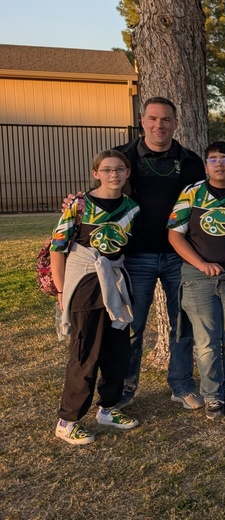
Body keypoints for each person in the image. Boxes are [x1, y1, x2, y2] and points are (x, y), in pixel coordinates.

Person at [114, 96, 205, 409]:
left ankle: (182, 385)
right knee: (131, 325)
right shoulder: (122, 157)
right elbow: (102, 195)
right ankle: (124, 389)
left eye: (166, 119)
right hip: (134, 257)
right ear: (143, 121)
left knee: (182, 324)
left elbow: (202, 206)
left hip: (179, 256)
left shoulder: (191, 161)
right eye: (153, 118)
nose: (159, 125)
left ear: (175, 123)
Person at [51, 150, 141, 445]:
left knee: (118, 352)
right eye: (106, 170)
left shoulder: (131, 208)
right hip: (86, 284)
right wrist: (63, 291)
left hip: (113, 284)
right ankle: (68, 420)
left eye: (119, 169)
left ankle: (108, 407)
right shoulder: (80, 205)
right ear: (96, 174)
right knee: (85, 353)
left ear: (128, 172)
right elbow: (58, 247)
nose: (113, 175)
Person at [167, 142, 225, 419]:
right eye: (212, 160)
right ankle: (212, 395)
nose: (219, 164)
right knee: (206, 341)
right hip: (198, 277)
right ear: (206, 165)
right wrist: (201, 264)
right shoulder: (192, 193)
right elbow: (175, 234)